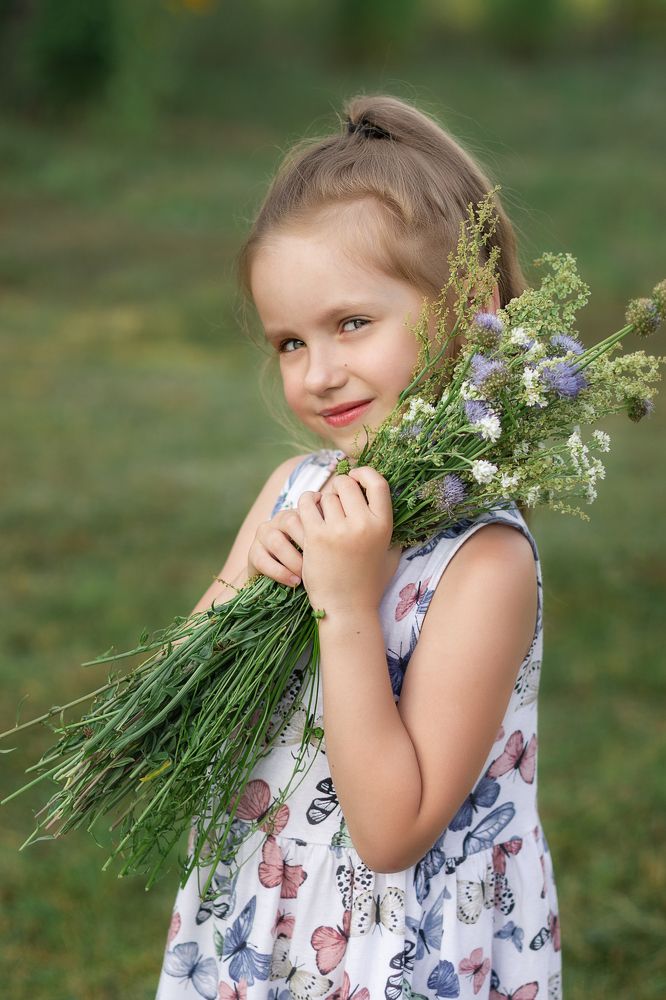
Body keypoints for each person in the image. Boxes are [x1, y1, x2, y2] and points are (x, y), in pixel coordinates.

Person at [155, 94, 561, 1000]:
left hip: (401, 950)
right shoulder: (293, 492)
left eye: (351, 325)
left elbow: (391, 831)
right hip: (266, 913)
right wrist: (240, 602)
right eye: (289, 342)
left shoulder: (484, 562)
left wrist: (343, 607)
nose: (317, 373)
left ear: (472, 304)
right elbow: (174, 711)